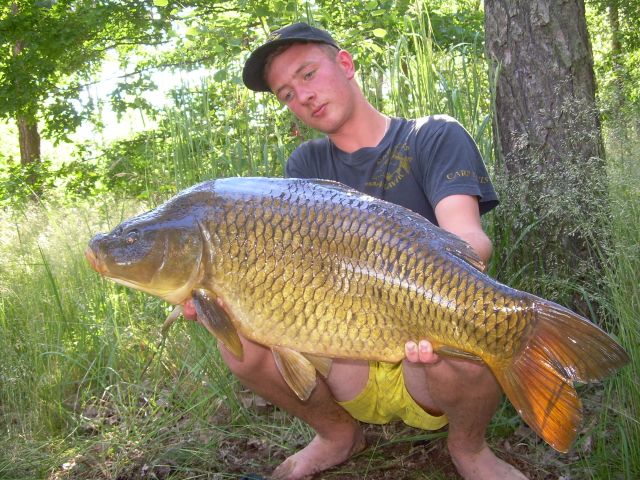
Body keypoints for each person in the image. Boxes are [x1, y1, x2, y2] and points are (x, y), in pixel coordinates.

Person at [187, 22, 528, 480]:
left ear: (344, 64)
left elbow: (470, 239)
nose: (302, 96)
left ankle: (469, 450)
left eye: (307, 75)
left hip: (423, 355)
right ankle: (336, 435)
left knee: (467, 343)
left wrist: (443, 294)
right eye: (286, 93)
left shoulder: (433, 137)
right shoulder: (304, 166)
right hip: (347, 350)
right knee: (239, 345)